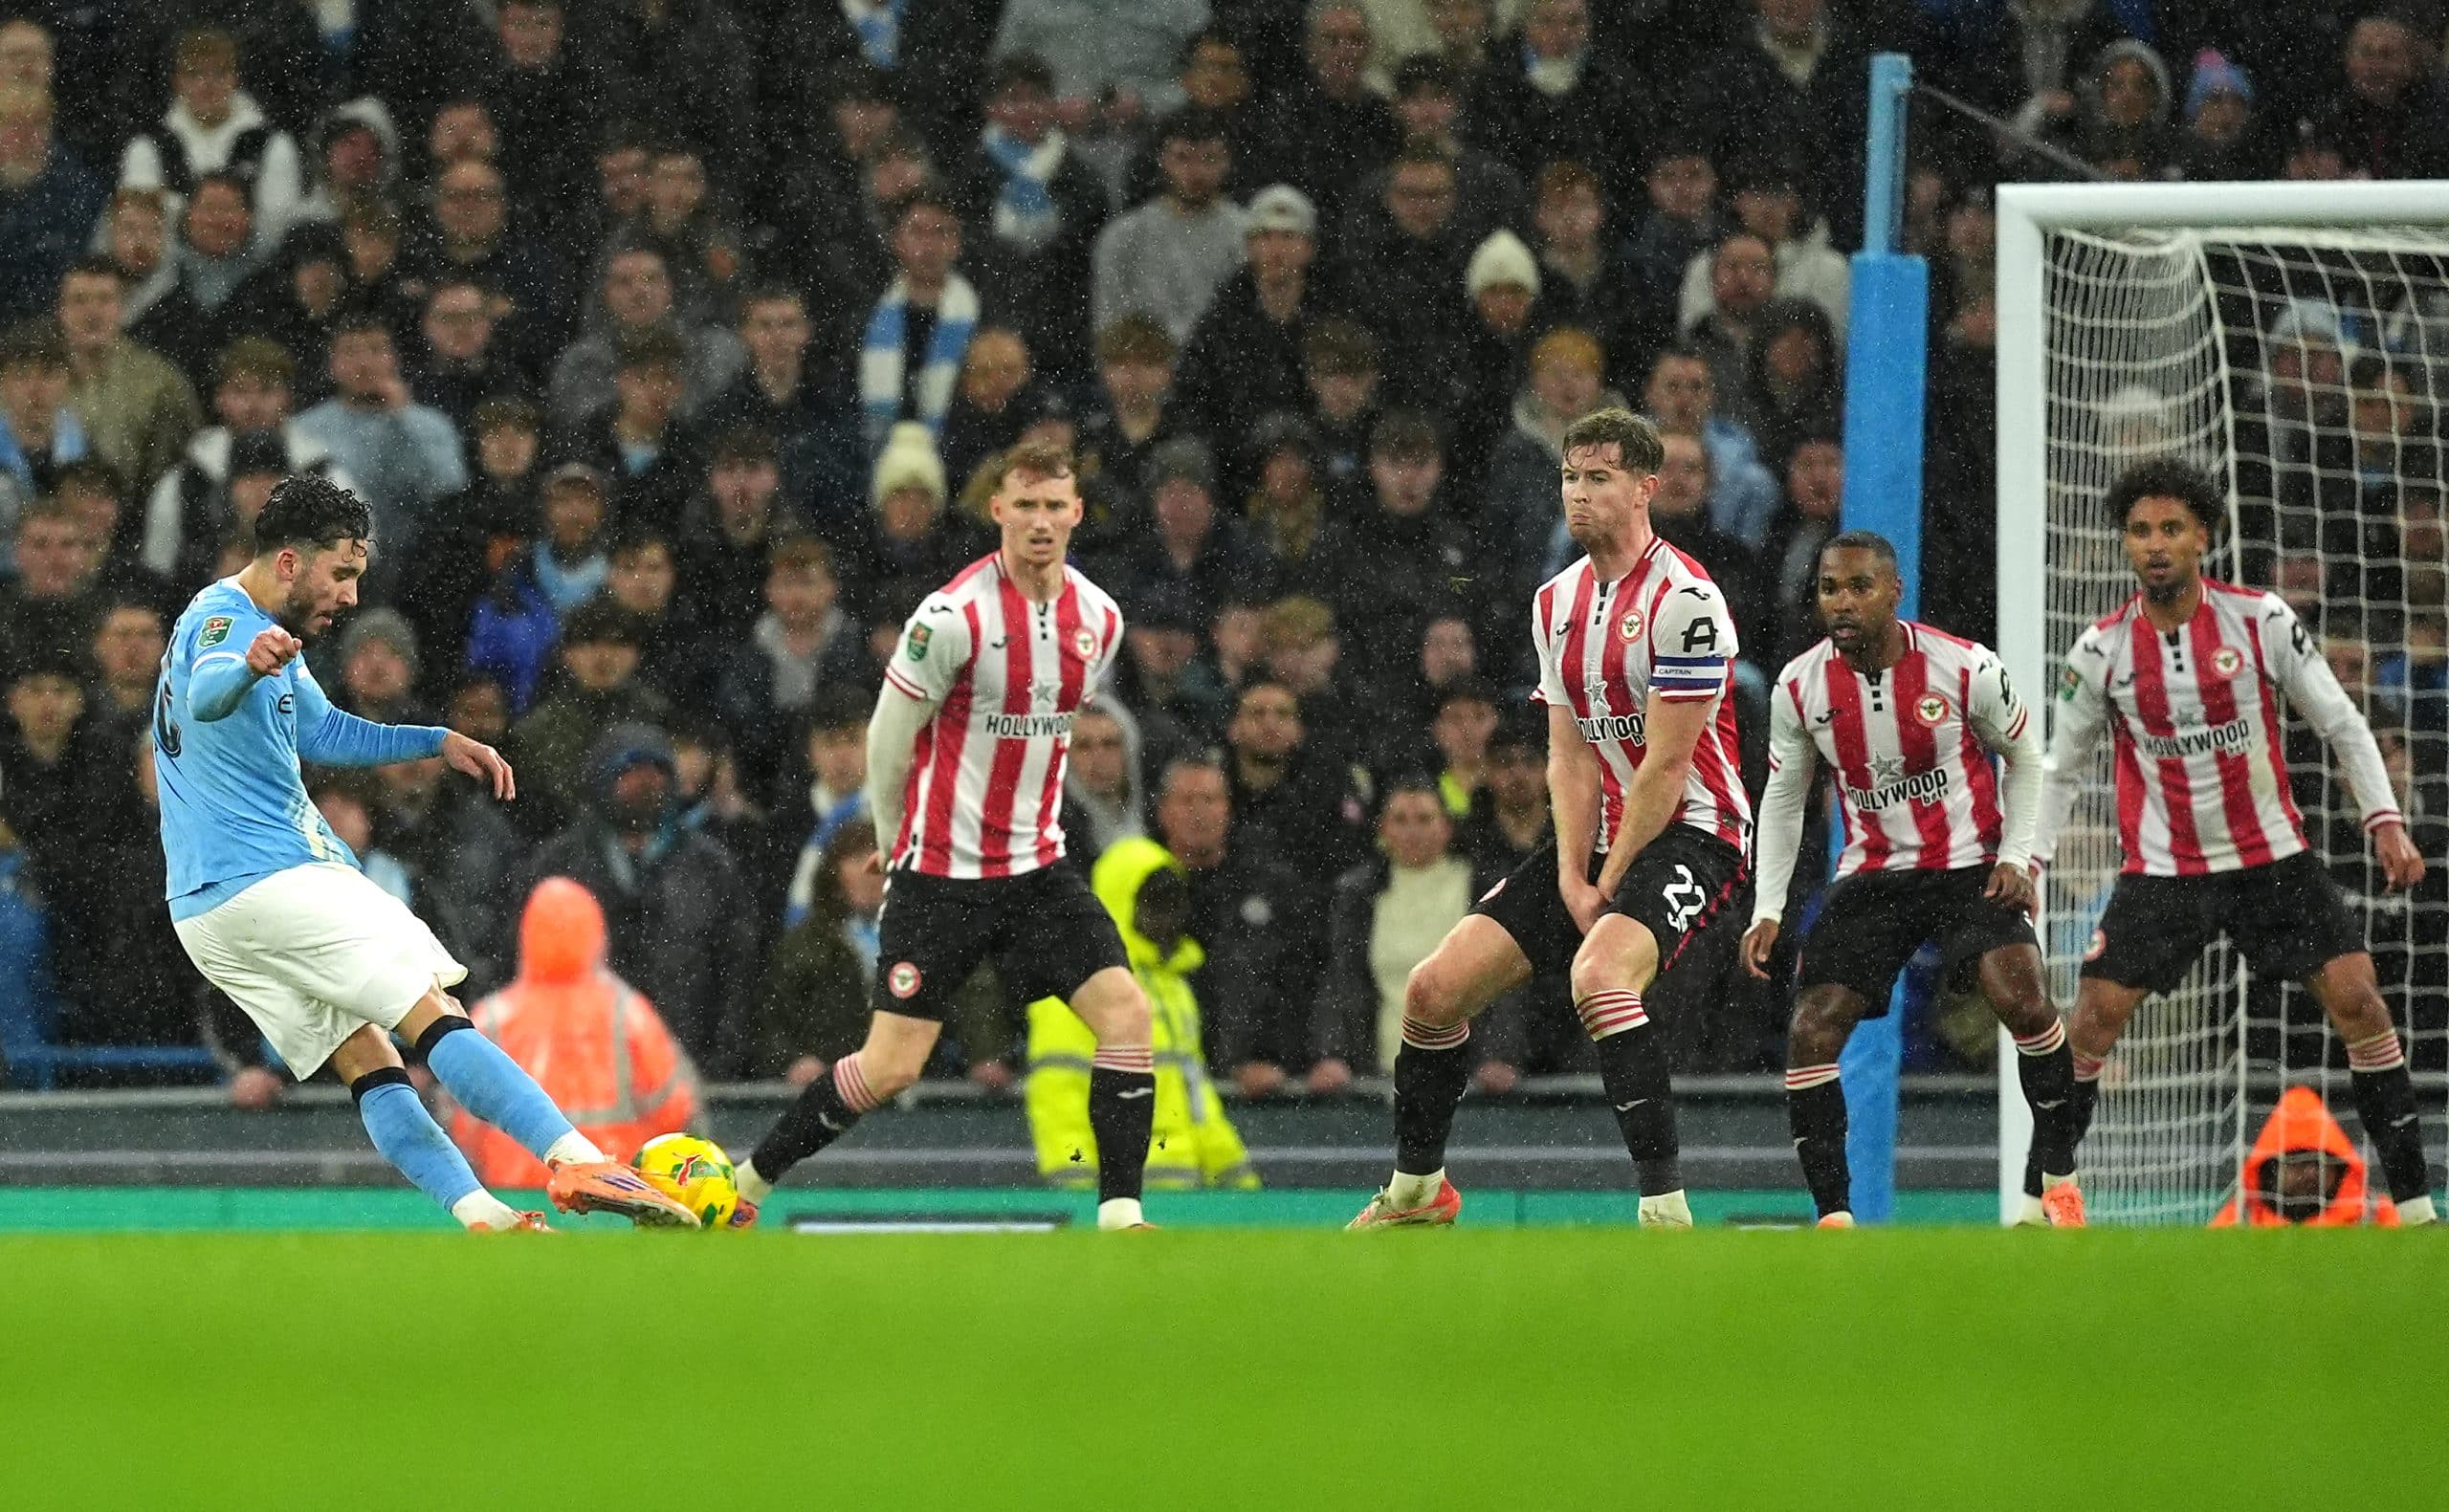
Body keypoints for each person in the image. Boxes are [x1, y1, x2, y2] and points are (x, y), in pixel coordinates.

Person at [149, 472, 695, 1231]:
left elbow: (326, 731)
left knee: (367, 1059)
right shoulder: (227, 623)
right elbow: (210, 687)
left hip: (208, 913)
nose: (348, 596)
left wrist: (437, 740)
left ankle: (478, 1212)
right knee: (432, 1014)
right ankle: (576, 1158)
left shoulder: (264, 632)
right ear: (286, 561)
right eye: (340, 574)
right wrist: (245, 665)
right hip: (272, 877)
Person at [735, 442, 1160, 1232]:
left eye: (1054, 505)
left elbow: (1049, 728)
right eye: (1023, 505)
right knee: (891, 1065)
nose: (1040, 521)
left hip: (1038, 867)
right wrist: (896, 840)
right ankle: (748, 1182)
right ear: (997, 510)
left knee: (1127, 1014)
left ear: (1076, 513)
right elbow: (889, 741)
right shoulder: (950, 616)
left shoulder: (1098, 619)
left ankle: (1122, 1215)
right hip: (942, 874)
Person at [1349, 408, 1749, 1230]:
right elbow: (1567, 754)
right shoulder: (1556, 600)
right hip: (1596, 838)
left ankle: (1665, 1208)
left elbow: (1669, 770)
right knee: (1432, 991)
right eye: (1571, 475)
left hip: (1693, 832)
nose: (1579, 493)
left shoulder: (1689, 602)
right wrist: (1570, 869)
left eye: (1600, 478)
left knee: (1600, 977)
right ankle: (1419, 1192)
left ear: (1646, 488)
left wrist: (1604, 879)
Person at [2030, 458, 2438, 1226]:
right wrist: (2033, 862)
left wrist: (2383, 818)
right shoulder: (2100, 649)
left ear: (2202, 538)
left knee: (2361, 1003)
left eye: (2172, 529)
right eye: (2142, 531)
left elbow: (2341, 722)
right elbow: (2060, 768)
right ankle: (2039, 1200)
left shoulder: (2261, 619)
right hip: (2164, 870)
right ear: (2125, 544)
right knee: (2088, 1024)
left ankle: (2416, 1208)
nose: (2156, 545)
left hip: (2270, 860)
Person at [1738, 531, 2083, 1229]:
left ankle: (2058, 1176)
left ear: (1895, 592)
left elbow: (2025, 756)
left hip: (1967, 866)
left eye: (1860, 586)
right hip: (1872, 874)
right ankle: (1834, 1217)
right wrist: (1767, 905)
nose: (1843, 601)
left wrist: (2017, 858)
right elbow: (1782, 796)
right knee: (1812, 1027)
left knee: (2021, 996)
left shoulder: (1965, 668)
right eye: (1831, 587)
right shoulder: (1800, 686)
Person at [1025, 835, 1258, 1193]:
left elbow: (1197, 1100)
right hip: (1120, 1199)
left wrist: (1237, 1180)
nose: (1167, 916)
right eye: (1153, 903)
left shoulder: (1175, 988)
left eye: (1172, 903)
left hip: (1184, 1196)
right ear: (1122, 904)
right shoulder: (1078, 988)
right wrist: (1079, 1191)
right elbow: (1059, 1099)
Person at [449, 876, 700, 1189]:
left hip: (515, 1196)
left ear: (526, 935)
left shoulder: (491, 1018)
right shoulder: (627, 1013)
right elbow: (675, 1111)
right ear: (597, 934)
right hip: (611, 1194)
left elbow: (462, 1124)